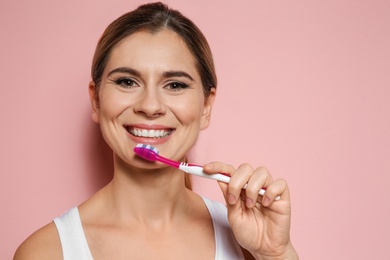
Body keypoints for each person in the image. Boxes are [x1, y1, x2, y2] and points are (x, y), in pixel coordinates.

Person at [14, 2, 298, 259]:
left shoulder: (249, 241)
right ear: (96, 100)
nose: (150, 106)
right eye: (127, 82)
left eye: (175, 85)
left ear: (206, 107)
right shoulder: (46, 252)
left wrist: (275, 254)